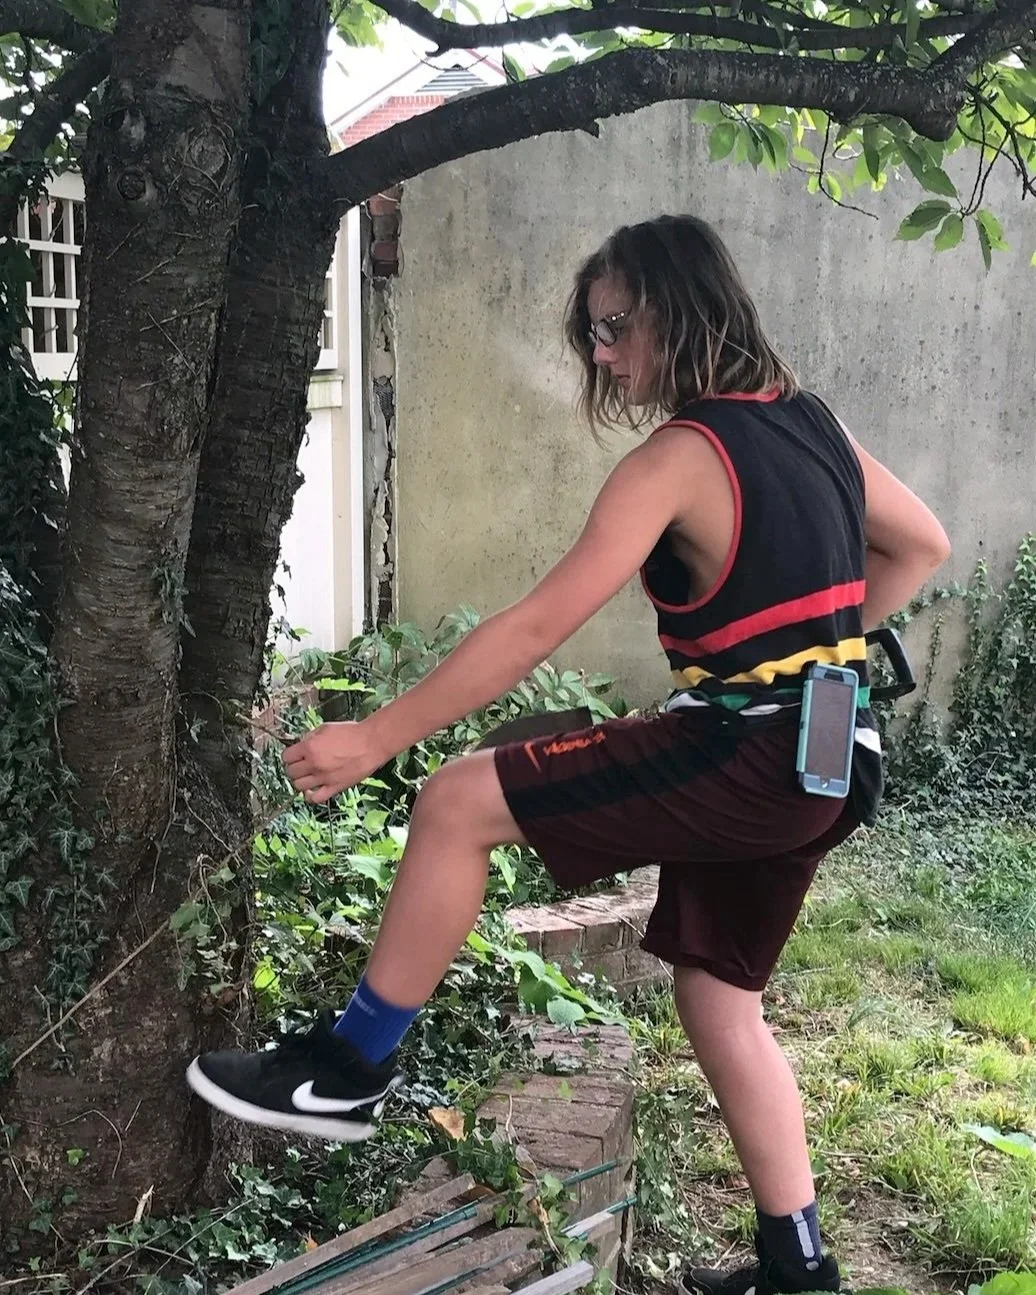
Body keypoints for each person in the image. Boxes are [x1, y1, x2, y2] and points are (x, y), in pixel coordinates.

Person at [187, 215, 951, 1295]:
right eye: (589, 331)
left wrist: (375, 734)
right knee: (719, 999)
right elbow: (921, 541)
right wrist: (810, 648)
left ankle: (346, 1069)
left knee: (455, 799)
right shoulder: (812, 423)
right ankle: (799, 1264)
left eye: (614, 327)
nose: (599, 353)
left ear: (679, 312)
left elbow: (532, 628)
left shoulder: (681, 456)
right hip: (836, 754)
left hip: (750, 751)